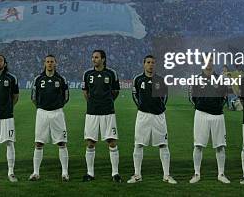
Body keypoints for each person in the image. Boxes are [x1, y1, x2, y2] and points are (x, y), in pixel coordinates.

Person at [127, 55, 177, 184]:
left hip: (158, 116)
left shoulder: (160, 80)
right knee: (138, 144)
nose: (151, 65)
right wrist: (141, 106)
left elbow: (165, 97)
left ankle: (166, 175)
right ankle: (137, 174)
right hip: (143, 115)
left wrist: (160, 107)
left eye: (153, 63)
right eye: (148, 62)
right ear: (144, 64)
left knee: (163, 144)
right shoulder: (138, 79)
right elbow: (134, 95)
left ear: (155, 65)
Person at [82, 50, 122, 182]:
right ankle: (90, 173)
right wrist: (93, 103)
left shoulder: (111, 73)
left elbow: (115, 92)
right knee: (90, 143)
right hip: (92, 112)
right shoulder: (87, 74)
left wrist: (107, 101)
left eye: (97, 57)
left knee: (111, 142)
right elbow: (85, 92)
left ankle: (115, 174)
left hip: (108, 112)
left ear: (103, 59)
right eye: (93, 57)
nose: (94, 59)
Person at [29, 55, 70, 181]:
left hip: (57, 113)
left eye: (52, 61)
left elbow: (66, 96)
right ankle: (36, 172)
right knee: (39, 143)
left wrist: (58, 106)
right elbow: (33, 97)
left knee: (62, 142)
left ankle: (64, 173)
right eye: (47, 61)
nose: (50, 64)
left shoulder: (61, 79)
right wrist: (41, 107)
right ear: (44, 63)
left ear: (55, 63)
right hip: (42, 113)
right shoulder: (38, 79)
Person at [189, 61, 230, 184]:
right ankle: (196, 173)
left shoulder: (220, 79)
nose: (208, 63)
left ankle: (221, 174)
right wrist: (201, 106)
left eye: (211, 61)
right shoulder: (196, 79)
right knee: (198, 145)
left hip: (217, 115)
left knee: (220, 145)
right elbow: (192, 97)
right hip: (201, 114)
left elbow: (225, 96)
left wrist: (217, 107)